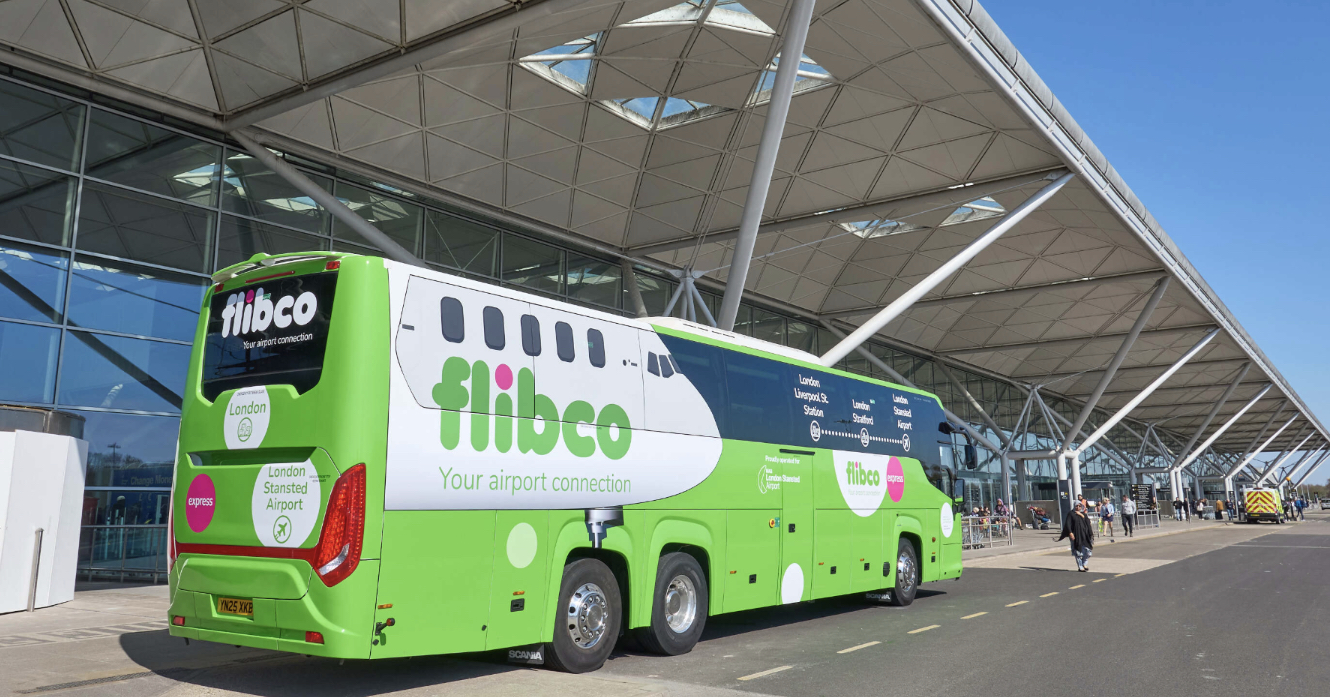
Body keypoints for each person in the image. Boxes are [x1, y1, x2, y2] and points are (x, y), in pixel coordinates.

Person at [1058, 501, 1095, 571]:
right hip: (1075, 535)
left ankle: (1084, 563)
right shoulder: (1071, 513)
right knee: (1077, 552)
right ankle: (1080, 567)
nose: (1078, 507)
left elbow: (1087, 522)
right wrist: (1070, 533)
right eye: (1076, 506)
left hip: (1084, 535)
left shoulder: (1083, 514)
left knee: (1088, 552)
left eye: (1079, 506)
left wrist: (1080, 515)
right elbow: (1068, 524)